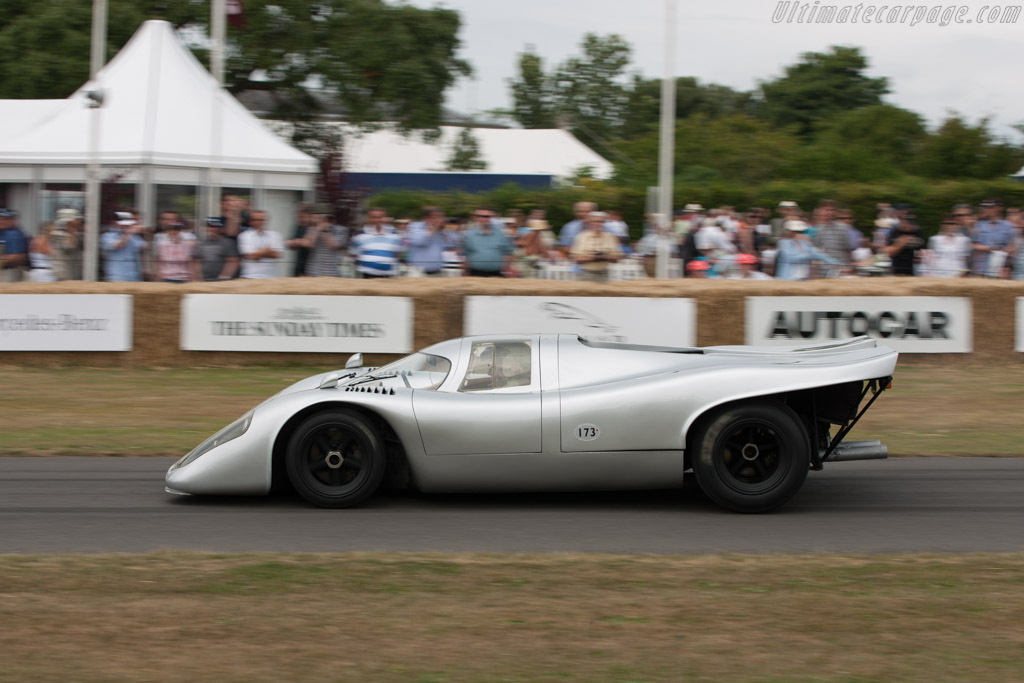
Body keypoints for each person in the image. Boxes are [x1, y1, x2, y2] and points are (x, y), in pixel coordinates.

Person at [774, 220, 841, 281]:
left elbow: (820, 255)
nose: (799, 233)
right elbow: (789, 257)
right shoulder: (783, 243)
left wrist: (837, 264)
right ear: (788, 231)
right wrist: (809, 255)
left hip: (803, 278)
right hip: (787, 278)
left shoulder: (805, 243)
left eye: (801, 231)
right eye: (796, 231)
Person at [570, 211, 622, 283]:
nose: (598, 224)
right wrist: (593, 258)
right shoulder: (581, 237)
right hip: (586, 274)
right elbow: (576, 259)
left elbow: (616, 259)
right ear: (589, 222)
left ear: (604, 223)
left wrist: (605, 257)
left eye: (601, 221)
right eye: (594, 221)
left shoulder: (610, 237)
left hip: (604, 274)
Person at [350, 208, 403, 278]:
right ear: (368, 218)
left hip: (388, 275)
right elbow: (353, 254)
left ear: (384, 218)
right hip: (366, 275)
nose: (376, 220)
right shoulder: (359, 234)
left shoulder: (395, 233)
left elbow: (398, 253)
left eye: (379, 217)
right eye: (373, 217)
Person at [461, 207, 513, 277]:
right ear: (476, 218)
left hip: (496, 275)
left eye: (486, 216)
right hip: (475, 274)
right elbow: (466, 256)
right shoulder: (469, 235)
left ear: (492, 218)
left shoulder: (501, 234)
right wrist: (465, 272)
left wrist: (506, 269)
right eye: (479, 216)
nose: (482, 219)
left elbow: (508, 254)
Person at [971, 199, 1015, 277]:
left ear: (998, 208)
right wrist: (989, 248)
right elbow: (973, 245)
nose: (988, 210)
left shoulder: (1008, 226)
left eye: (991, 207)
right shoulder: (979, 225)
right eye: (987, 208)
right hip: (981, 268)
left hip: (999, 268)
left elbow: (1012, 248)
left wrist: (1002, 251)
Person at [406, 206, 455, 276]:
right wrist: (433, 227)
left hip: (437, 271)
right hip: (419, 272)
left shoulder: (440, 231)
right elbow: (420, 241)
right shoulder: (415, 226)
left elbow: (449, 245)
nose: (441, 219)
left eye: (441, 217)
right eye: (437, 216)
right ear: (428, 218)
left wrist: (443, 230)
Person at [100, 211, 147, 282]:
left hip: (134, 277)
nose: (125, 226)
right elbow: (118, 245)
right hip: (116, 277)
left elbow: (143, 248)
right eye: (122, 224)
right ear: (114, 223)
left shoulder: (135, 236)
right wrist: (130, 232)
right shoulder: (106, 236)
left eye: (127, 224)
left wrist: (145, 233)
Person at [300, 209, 348, 277]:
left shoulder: (341, 230)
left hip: (331, 272)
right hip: (313, 272)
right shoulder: (312, 228)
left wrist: (324, 230)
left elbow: (334, 245)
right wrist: (316, 227)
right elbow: (309, 244)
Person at [237, 210, 283, 279]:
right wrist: (267, 251)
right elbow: (250, 256)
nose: (258, 222)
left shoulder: (275, 235)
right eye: (255, 220)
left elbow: (277, 254)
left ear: (266, 221)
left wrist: (258, 253)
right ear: (250, 221)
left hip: (270, 277)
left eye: (261, 220)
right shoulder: (244, 236)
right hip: (250, 276)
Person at [153, 213, 198, 282]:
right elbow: (158, 259)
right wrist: (158, 274)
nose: (174, 231)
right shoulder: (161, 243)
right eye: (172, 228)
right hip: (166, 276)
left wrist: (193, 276)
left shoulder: (188, 242)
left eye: (177, 229)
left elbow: (192, 260)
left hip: (184, 277)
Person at [885, 211, 925, 276]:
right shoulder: (895, 232)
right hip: (896, 269)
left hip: (913, 271)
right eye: (908, 220)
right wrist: (901, 244)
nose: (909, 223)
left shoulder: (918, 232)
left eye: (912, 221)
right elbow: (888, 253)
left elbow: (921, 253)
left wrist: (919, 257)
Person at [51, 208, 84, 281]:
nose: (79, 222)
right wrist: (72, 228)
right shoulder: (58, 234)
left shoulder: (75, 234)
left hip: (72, 273)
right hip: (63, 275)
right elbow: (69, 247)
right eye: (76, 220)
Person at [285, 203, 316, 276]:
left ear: (311, 216)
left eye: (303, 217)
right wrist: (297, 242)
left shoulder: (316, 228)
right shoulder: (298, 227)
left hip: (313, 271)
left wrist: (297, 242)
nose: (300, 219)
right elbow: (289, 244)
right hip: (298, 269)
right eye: (298, 217)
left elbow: (310, 244)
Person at [0, 208, 29, 282]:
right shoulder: (3, 232)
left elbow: (16, 257)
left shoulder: (14, 233)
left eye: (5, 219)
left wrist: (3, 259)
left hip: (10, 271)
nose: (2, 221)